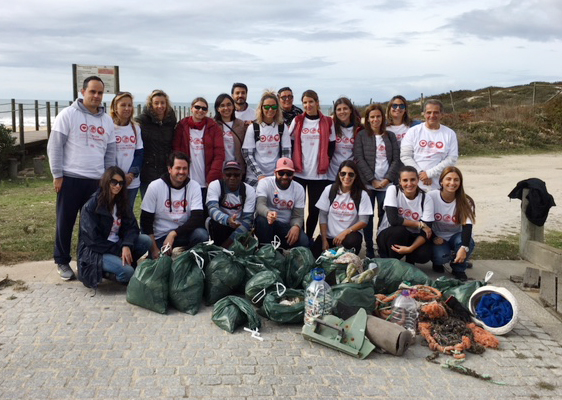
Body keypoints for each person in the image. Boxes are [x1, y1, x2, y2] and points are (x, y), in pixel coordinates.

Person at [47, 76, 116, 281]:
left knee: (91, 226)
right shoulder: (68, 115)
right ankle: (62, 260)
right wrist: (57, 175)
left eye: (100, 93)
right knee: (65, 222)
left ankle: (87, 260)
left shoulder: (106, 120)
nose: (96, 96)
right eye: (92, 91)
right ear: (82, 91)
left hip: (96, 182)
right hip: (70, 179)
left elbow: (110, 151)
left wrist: (108, 179)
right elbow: (55, 146)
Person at [78, 167, 152, 287]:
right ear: (106, 182)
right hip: (96, 252)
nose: (118, 186)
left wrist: (126, 245)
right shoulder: (91, 206)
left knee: (145, 240)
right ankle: (106, 273)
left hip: (118, 244)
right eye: (114, 182)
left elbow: (132, 227)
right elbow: (93, 240)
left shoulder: (121, 201)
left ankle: (118, 265)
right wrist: (119, 249)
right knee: (128, 273)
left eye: (121, 183)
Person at [140, 152, 209, 258]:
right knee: (160, 265)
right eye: (178, 168)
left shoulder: (194, 186)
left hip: (182, 233)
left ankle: (188, 259)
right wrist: (154, 250)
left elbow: (197, 218)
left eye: (185, 168)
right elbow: (145, 222)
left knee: (202, 234)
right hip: (160, 236)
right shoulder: (155, 186)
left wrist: (173, 234)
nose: (181, 172)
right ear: (169, 169)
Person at [354, 104, 400, 258]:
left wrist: (387, 179)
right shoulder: (361, 136)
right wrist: (372, 180)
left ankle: (381, 245)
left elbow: (396, 159)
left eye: (378, 116)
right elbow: (359, 159)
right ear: (367, 119)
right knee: (367, 216)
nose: (375, 120)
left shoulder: (391, 136)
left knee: (384, 216)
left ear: (383, 117)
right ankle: (368, 248)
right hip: (368, 184)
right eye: (372, 117)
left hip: (386, 185)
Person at [289, 89, 336, 239]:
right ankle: (300, 237)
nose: (308, 105)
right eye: (305, 102)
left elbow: (332, 145)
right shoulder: (297, 121)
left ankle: (308, 237)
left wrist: (325, 160)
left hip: (319, 174)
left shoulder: (328, 121)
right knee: (299, 209)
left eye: (311, 102)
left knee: (314, 209)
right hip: (299, 173)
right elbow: (289, 142)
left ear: (317, 102)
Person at [313, 160, 373, 258]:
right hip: (330, 236)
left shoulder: (362, 194)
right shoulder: (330, 190)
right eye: (343, 173)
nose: (346, 177)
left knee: (352, 242)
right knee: (315, 255)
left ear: (356, 176)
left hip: (349, 236)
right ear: (338, 175)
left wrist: (345, 233)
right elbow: (323, 216)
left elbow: (364, 221)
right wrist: (324, 239)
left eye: (351, 174)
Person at [376, 166, 435, 265]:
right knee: (400, 230)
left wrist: (410, 248)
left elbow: (426, 231)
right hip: (389, 234)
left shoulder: (426, 198)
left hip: (412, 236)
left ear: (418, 180)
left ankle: (410, 259)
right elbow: (393, 220)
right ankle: (391, 261)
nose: (409, 184)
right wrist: (420, 224)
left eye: (413, 180)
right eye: (405, 180)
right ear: (399, 181)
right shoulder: (393, 190)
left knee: (424, 254)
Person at [428, 167, 476, 281]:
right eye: (448, 179)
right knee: (441, 257)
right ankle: (438, 262)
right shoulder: (431, 196)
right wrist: (434, 237)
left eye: (456, 180)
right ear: (441, 181)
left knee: (468, 242)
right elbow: (425, 221)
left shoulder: (466, 200)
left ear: (460, 182)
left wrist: (464, 248)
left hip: (456, 236)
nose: (452, 183)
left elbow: (467, 227)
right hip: (437, 236)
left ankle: (459, 268)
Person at [401, 99, 458, 191]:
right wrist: (421, 173)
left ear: (441, 114)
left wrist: (430, 174)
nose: (432, 116)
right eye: (429, 112)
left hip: (439, 184)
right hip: (415, 185)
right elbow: (405, 156)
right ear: (423, 114)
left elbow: (452, 159)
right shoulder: (413, 131)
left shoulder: (449, 134)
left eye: (436, 112)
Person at [173, 97, 225, 199]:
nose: (200, 110)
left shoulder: (214, 127)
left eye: (204, 108)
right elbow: (176, 150)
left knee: (206, 211)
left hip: (206, 181)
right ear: (191, 108)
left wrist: (212, 177)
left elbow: (219, 154)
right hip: (186, 178)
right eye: (197, 107)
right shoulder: (182, 126)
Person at [255, 157, 309, 249]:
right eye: (281, 173)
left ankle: (282, 249)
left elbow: (298, 216)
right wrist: (268, 213)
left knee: (304, 241)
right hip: (268, 222)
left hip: (286, 225)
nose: (285, 177)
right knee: (261, 220)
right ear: (275, 172)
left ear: (293, 174)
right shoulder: (265, 183)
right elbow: (260, 205)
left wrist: (296, 226)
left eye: (289, 173)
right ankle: (265, 250)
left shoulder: (299, 188)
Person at [242, 90, 291, 187]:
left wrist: (279, 173)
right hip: (254, 177)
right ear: (261, 108)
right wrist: (260, 175)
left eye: (274, 106)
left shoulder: (282, 127)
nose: (270, 109)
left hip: (275, 176)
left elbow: (286, 153)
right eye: (267, 107)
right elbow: (247, 154)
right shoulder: (254, 128)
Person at [136, 89, 177, 198]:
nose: (160, 106)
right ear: (151, 105)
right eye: (156, 103)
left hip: (166, 171)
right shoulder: (142, 121)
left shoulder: (171, 121)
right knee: (147, 206)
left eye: (162, 103)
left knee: (165, 205)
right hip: (147, 171)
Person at [206, 161, 256, 248]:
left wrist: (229, 242)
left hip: (240, 227)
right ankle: (216, 247)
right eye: (228, 175)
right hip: (221, 224)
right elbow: (212, 210)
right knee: (215, 223)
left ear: (241, 176)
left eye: (236, 175)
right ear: (223, 175)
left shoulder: (249, 190)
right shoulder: (215, 185)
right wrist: (228, 220)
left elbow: (248, 220)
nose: (232, 178)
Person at [109, 91, 144, 210]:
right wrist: (119, 175)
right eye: (123, 105)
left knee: (128, 213)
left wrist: (131, 175)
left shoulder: (135, 128)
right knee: (112, 213)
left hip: (131, 181)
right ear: (115, 107)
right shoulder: (109, 127)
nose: (127, 108)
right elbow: (107, 155)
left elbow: (139, 153)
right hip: (113, 180)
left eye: (129, 105)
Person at [327, 97, 362, 182]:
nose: (342, 112)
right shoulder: (331, 127)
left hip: (350, 175)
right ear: (335, 112)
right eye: (339, 109)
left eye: (345, 108)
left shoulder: (360, 129)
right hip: (332, 173)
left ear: (350, 110)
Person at [214, 93, 246, 170]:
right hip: (218, 167)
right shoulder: (212, 125)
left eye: (229, 105)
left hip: (236, 168)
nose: (226, 108)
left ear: (233, 106)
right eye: (222, 105)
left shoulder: (241, 124)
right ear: (218, 108)